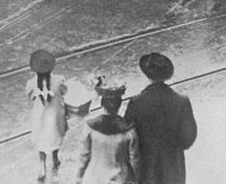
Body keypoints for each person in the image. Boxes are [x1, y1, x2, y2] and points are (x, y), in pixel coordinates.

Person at [124, 52, 197, 184]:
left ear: (147, 74)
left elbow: (126, 139)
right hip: (174, 167)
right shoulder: (181, 101)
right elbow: (188, 139)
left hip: (145, 169)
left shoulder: (136, 102)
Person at [75, 79, 140, 184]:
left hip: (95, 179)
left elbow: (84, 156)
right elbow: (135, 159)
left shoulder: (90, 128)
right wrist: (138, 179)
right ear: (119, 105)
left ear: (102, 104)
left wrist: (78, 177)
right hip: (121, 179)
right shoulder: (129, 131)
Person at [25, 49, 67, 182]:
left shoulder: (31, 83)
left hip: (41, 118)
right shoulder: (59, 80)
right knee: (55, 137)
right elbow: (64, 91)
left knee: (41, 140)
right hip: (55, 118)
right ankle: (55, 160)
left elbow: (30, 97)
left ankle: (42, 165)